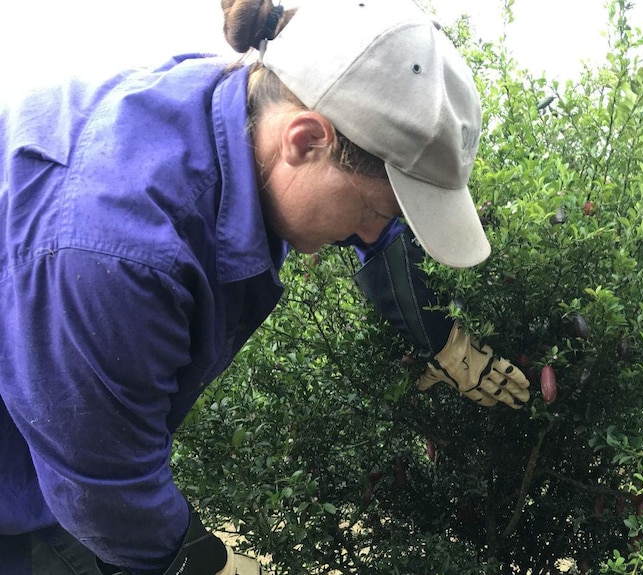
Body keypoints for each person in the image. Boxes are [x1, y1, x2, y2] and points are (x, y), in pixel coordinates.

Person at [0, 0, 531, 574]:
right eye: (377, 209)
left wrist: (440, 338)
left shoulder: (245, 109)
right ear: (305, 141)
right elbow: (103, 486)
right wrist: (202, 564)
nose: (370, 231)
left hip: (54, 454)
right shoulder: (119, 251)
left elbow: (372, 221)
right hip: (42, 475)